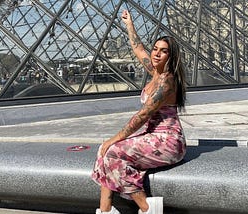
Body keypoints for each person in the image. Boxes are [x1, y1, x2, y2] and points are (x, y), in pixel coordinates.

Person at [91, 10, 187, 214]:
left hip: (168, 141)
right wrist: (129, 24)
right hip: (153, 137)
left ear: (171, 56)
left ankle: (147, 208)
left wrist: (113, 139)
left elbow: (143, 115)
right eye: (155, 49)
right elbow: (138, 48)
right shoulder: (155, 72)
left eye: (163, 51)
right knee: (104, 152)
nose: (156, 53)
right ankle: (105, 210)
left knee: (113, 150)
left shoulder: (167, 81)